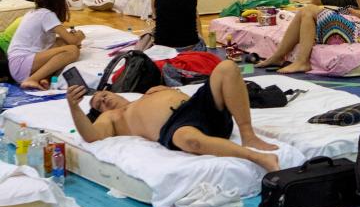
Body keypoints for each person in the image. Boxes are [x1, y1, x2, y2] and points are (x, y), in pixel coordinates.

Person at [66, 60, 279, 171]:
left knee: (227, 67)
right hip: (176, 127)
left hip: (198, 107)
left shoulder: (145, 94)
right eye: (99, 104)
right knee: (188, 139)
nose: (104, 100)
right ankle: (258, 158)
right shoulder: (113, 117)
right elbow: (91, 135)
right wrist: (74, 107)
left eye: (104, 95)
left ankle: (248, 134)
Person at [6, 0, 85, 90]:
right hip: (22, 64)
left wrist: (70, 40)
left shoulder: (34, 12)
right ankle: (32, 79)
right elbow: (72, 41)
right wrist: (79, 36)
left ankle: (44, 78)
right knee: (72, 50)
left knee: (61, 42)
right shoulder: (47, 14)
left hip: (18, 65)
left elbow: (65, 39)